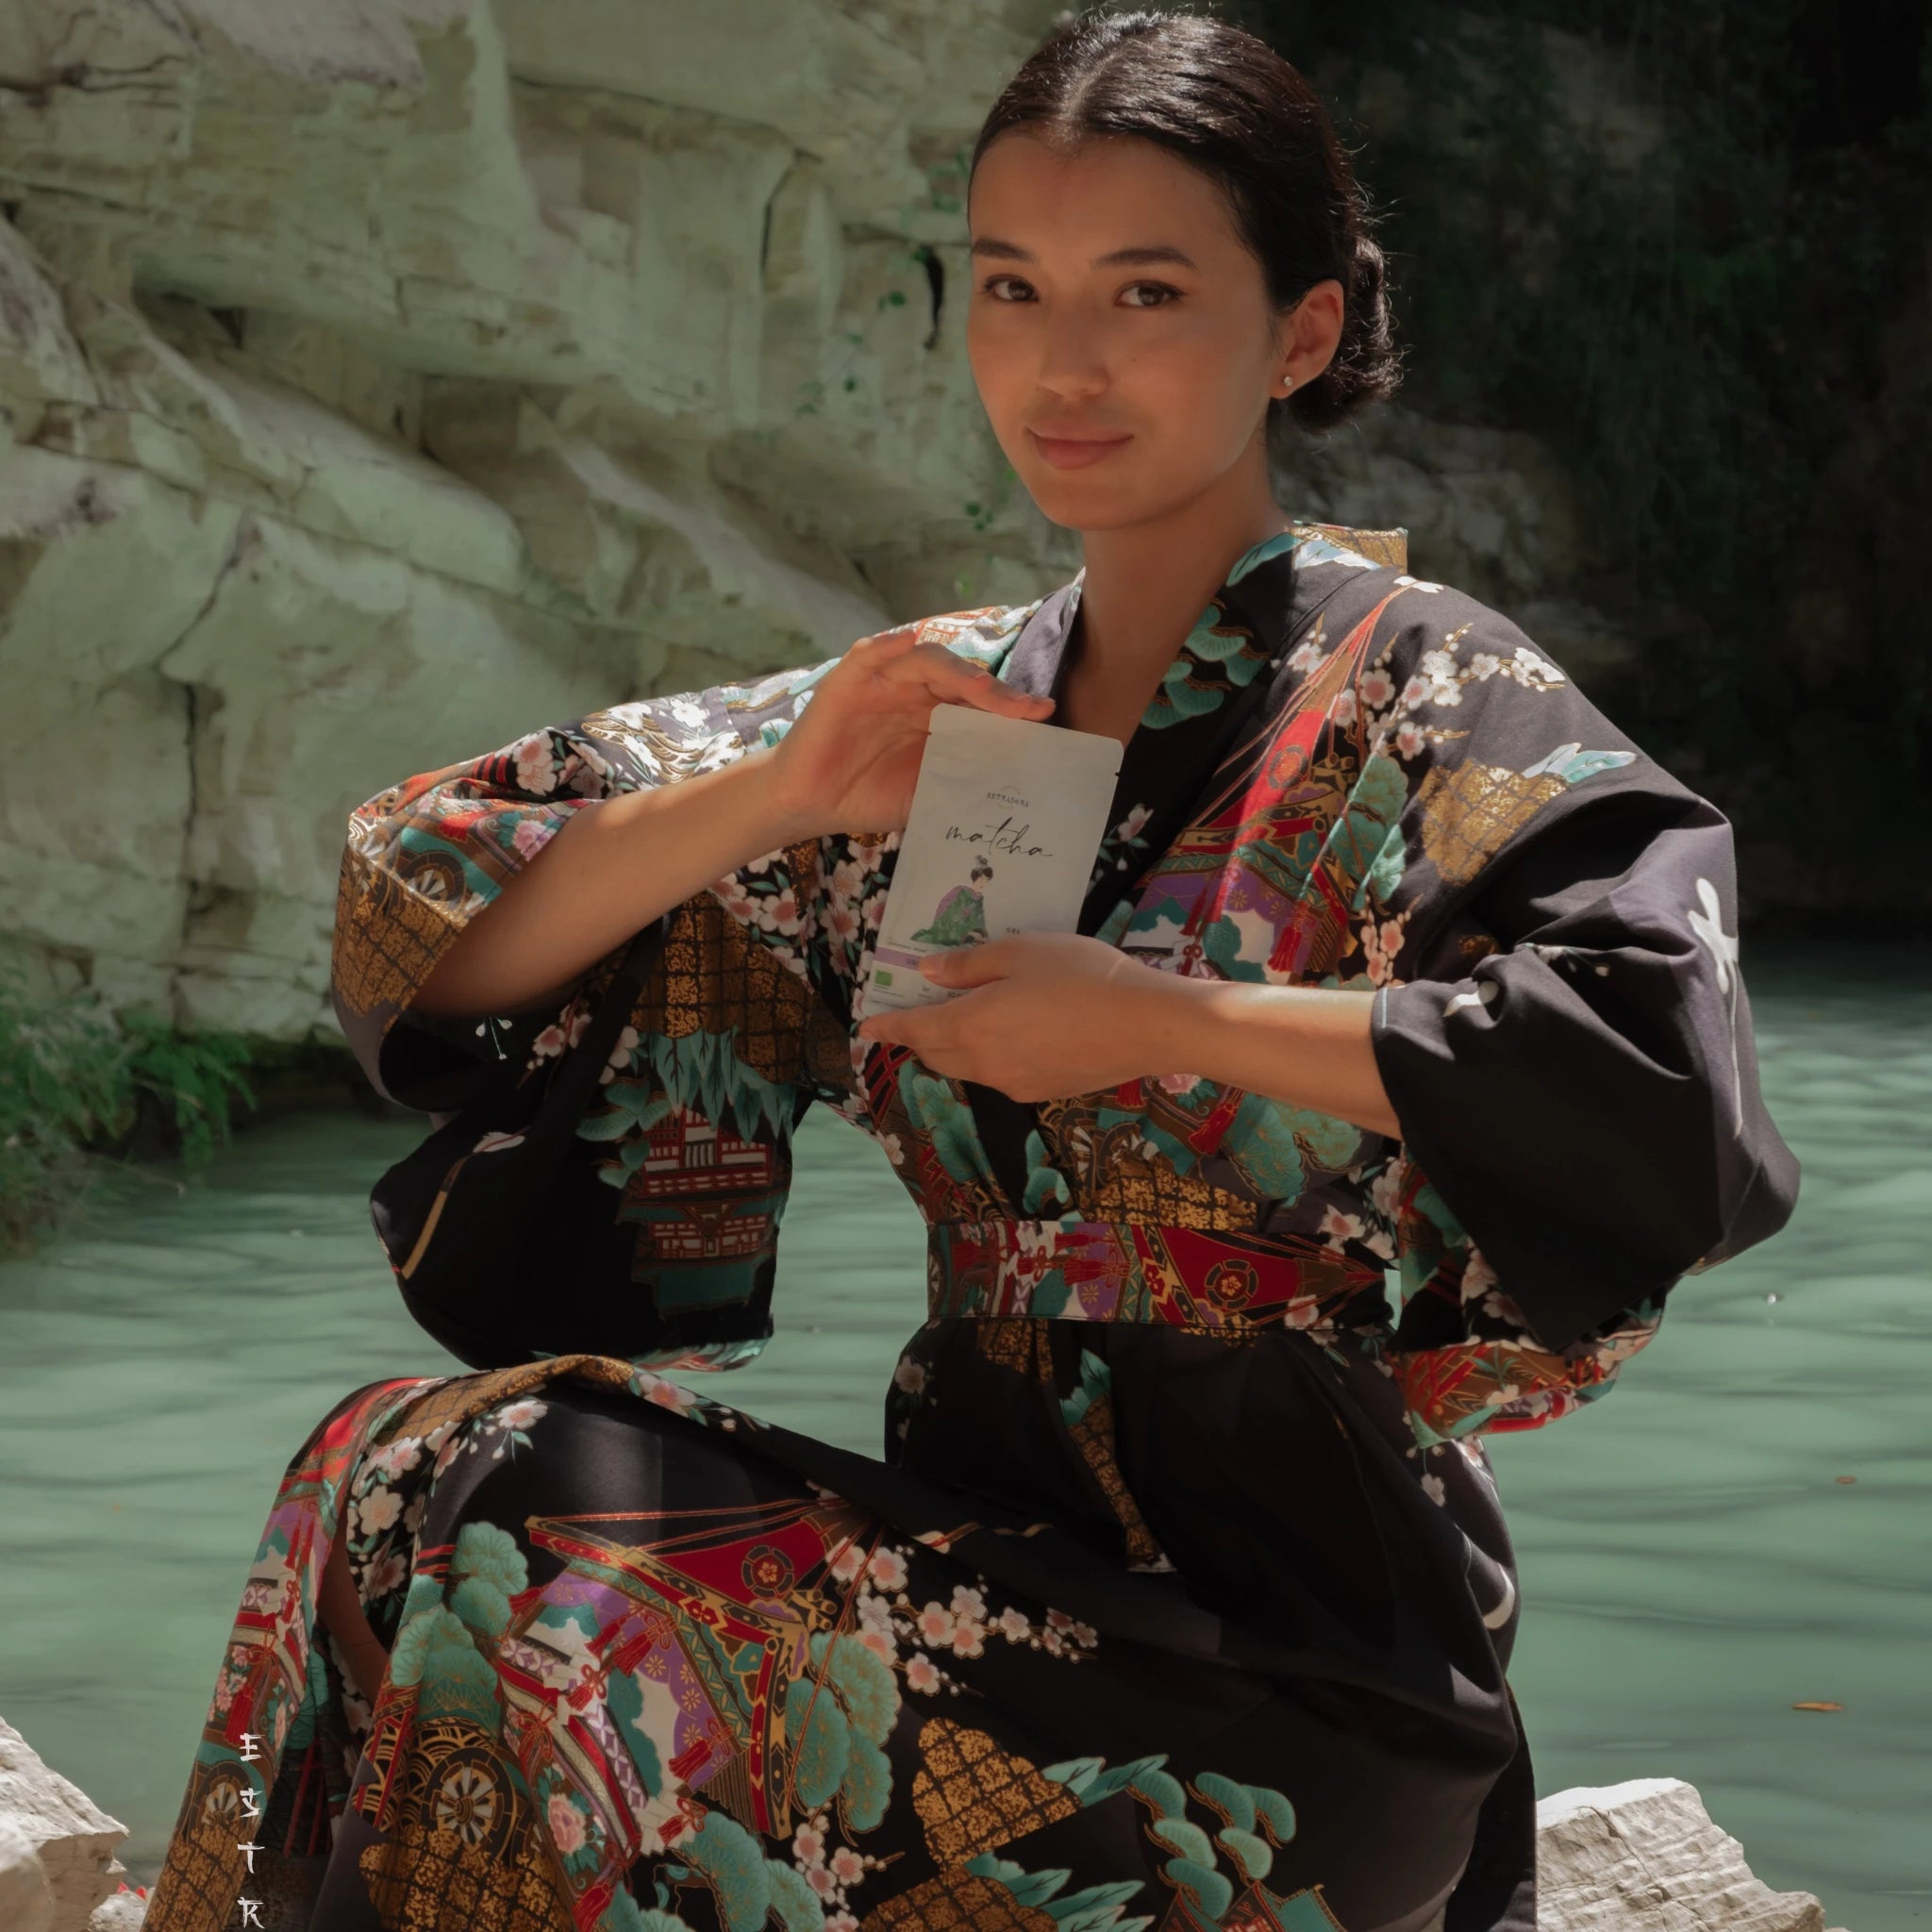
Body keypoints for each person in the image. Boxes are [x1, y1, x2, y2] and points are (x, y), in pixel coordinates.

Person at [142, 10, 1800, 1932]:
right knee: (394, 1468)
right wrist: (778, 794)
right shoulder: (946, 715)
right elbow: (428, 918)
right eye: (1011, 287)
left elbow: (1657, 1070)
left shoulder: (1427, 689)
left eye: (1144, 293)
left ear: (1302, 333)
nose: (1062, 363)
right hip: (976, 1580)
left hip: (1309, 1675)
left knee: (529, 1499)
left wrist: (1160, 1022)